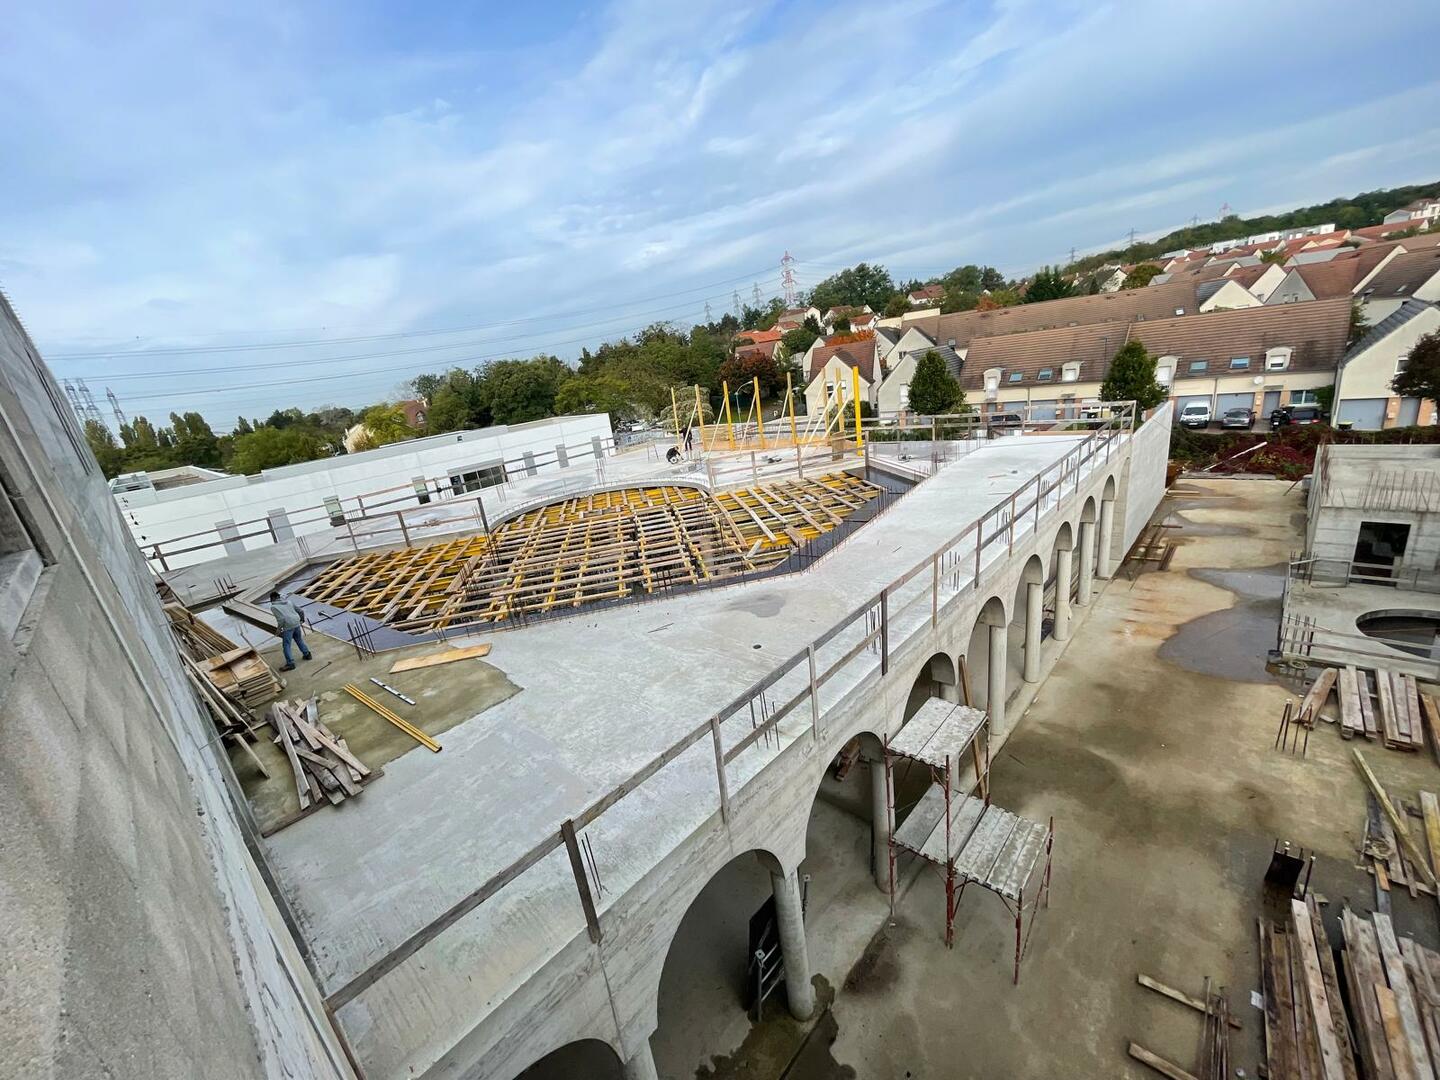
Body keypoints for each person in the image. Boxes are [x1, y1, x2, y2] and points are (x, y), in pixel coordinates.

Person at [268, 590, 312, 671]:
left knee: (286, 645)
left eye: (270, 600)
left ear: (273, 598)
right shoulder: (289, 602)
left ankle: (290, 663)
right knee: (299, 639)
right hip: (296, 623)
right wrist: (302, 620)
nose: (270, 602)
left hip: (288, 627)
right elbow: (301, 611)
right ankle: (307, 654)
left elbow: (281, 619)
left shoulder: (274, 607)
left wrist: (278, 629)